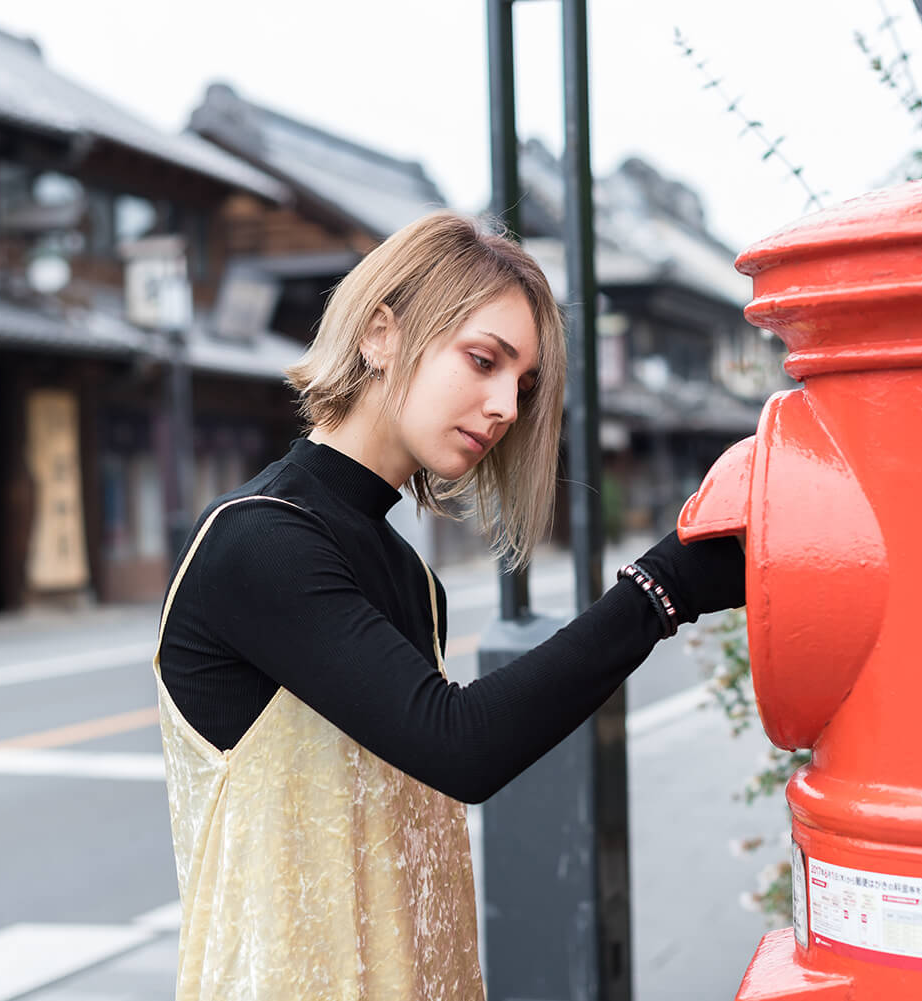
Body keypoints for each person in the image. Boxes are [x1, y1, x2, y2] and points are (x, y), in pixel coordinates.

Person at [153, 211, 746, 1001]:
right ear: (380, 334)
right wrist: (655, 593)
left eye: (523, 385)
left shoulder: (407, 574)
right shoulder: (257, 542)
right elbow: (459, 744)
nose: (504, 405)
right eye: (482, 360)